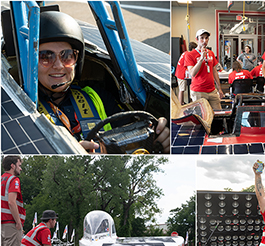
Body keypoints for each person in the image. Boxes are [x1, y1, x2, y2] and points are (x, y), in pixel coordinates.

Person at [34, 11, 168, 152]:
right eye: (45, 57)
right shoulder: (24, 108)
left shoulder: (97, 96)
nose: (59, 65)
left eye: (66, 56)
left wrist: (158, 136)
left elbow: (132, 133)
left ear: (77, 61)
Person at [2, 156, 25, 246]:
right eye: (19, 165)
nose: (20, 168)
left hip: (1, 222)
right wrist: (18, 222)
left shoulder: (1, 179)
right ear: (12, 166)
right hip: (10, 221)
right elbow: (11, 202)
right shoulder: (13, 180)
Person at [185, 29, 225, 111]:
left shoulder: (211, 53)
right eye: (202, 38)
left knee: (218, 114)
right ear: (197, 39)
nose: (204, 41)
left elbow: (214, 71)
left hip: (212, 90)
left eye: (206, 38)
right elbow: (192, 73)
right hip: (198, 91)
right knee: (201, 117)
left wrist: (219, 89)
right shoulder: (189, 55)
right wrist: (201, 58)